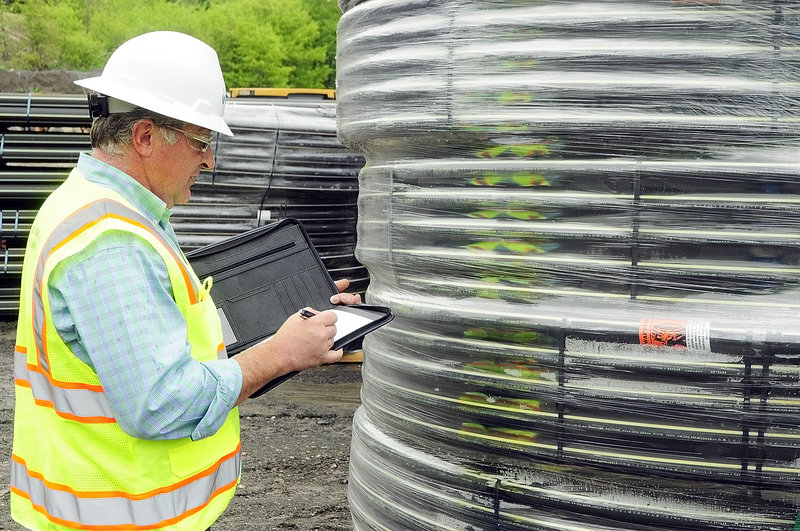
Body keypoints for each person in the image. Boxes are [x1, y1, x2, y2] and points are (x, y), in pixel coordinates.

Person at [9, 31, 360, 530]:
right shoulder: (111, 242)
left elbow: (168, 331)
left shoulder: (102, 208)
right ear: (146, 137)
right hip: (122, 518)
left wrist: (295, 319)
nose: (210, 159)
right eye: (202, 141)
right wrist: (278, 353)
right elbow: (159, 403)